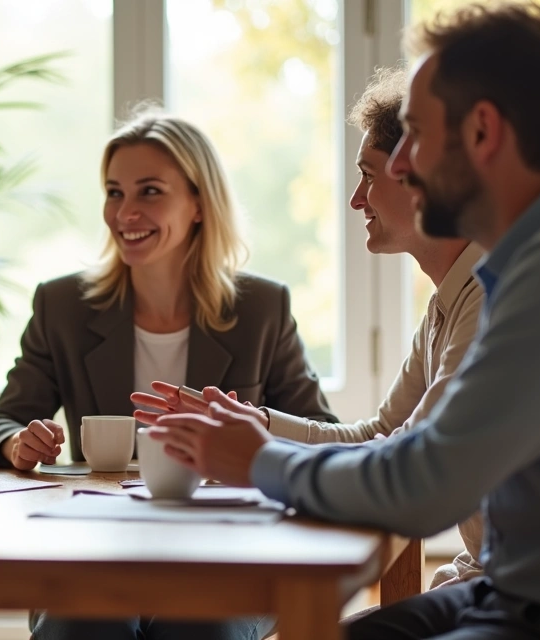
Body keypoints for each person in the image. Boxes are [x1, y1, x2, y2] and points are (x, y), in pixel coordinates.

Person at [150, 3, 540, 639]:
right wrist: (258, 439)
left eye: (414, 134)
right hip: (517, 590)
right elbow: (405, 446)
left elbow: (426, 485)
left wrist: (260, 461)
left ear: (482, 132)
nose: (397, 166)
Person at [0, 111, 335, 640]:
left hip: (228, 558)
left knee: (196, 627)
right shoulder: (62, 305)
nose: (125, 212)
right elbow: (4, 420)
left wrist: (251, 434)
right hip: (96, 553)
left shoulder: (263, 307)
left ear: (199, 204)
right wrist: (18, 445)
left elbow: (319, 433)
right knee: (83, 626)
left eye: (149, 192)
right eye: (113, 192)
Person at [135, 66, 485, 590]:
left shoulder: (487, 299)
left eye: (368, 175)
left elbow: (408, 465)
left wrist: (259, 457)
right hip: (486, 581)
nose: (356, 199)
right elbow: (378, 436)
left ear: (420, 177)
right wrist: (258, 422)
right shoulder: (446, 305)